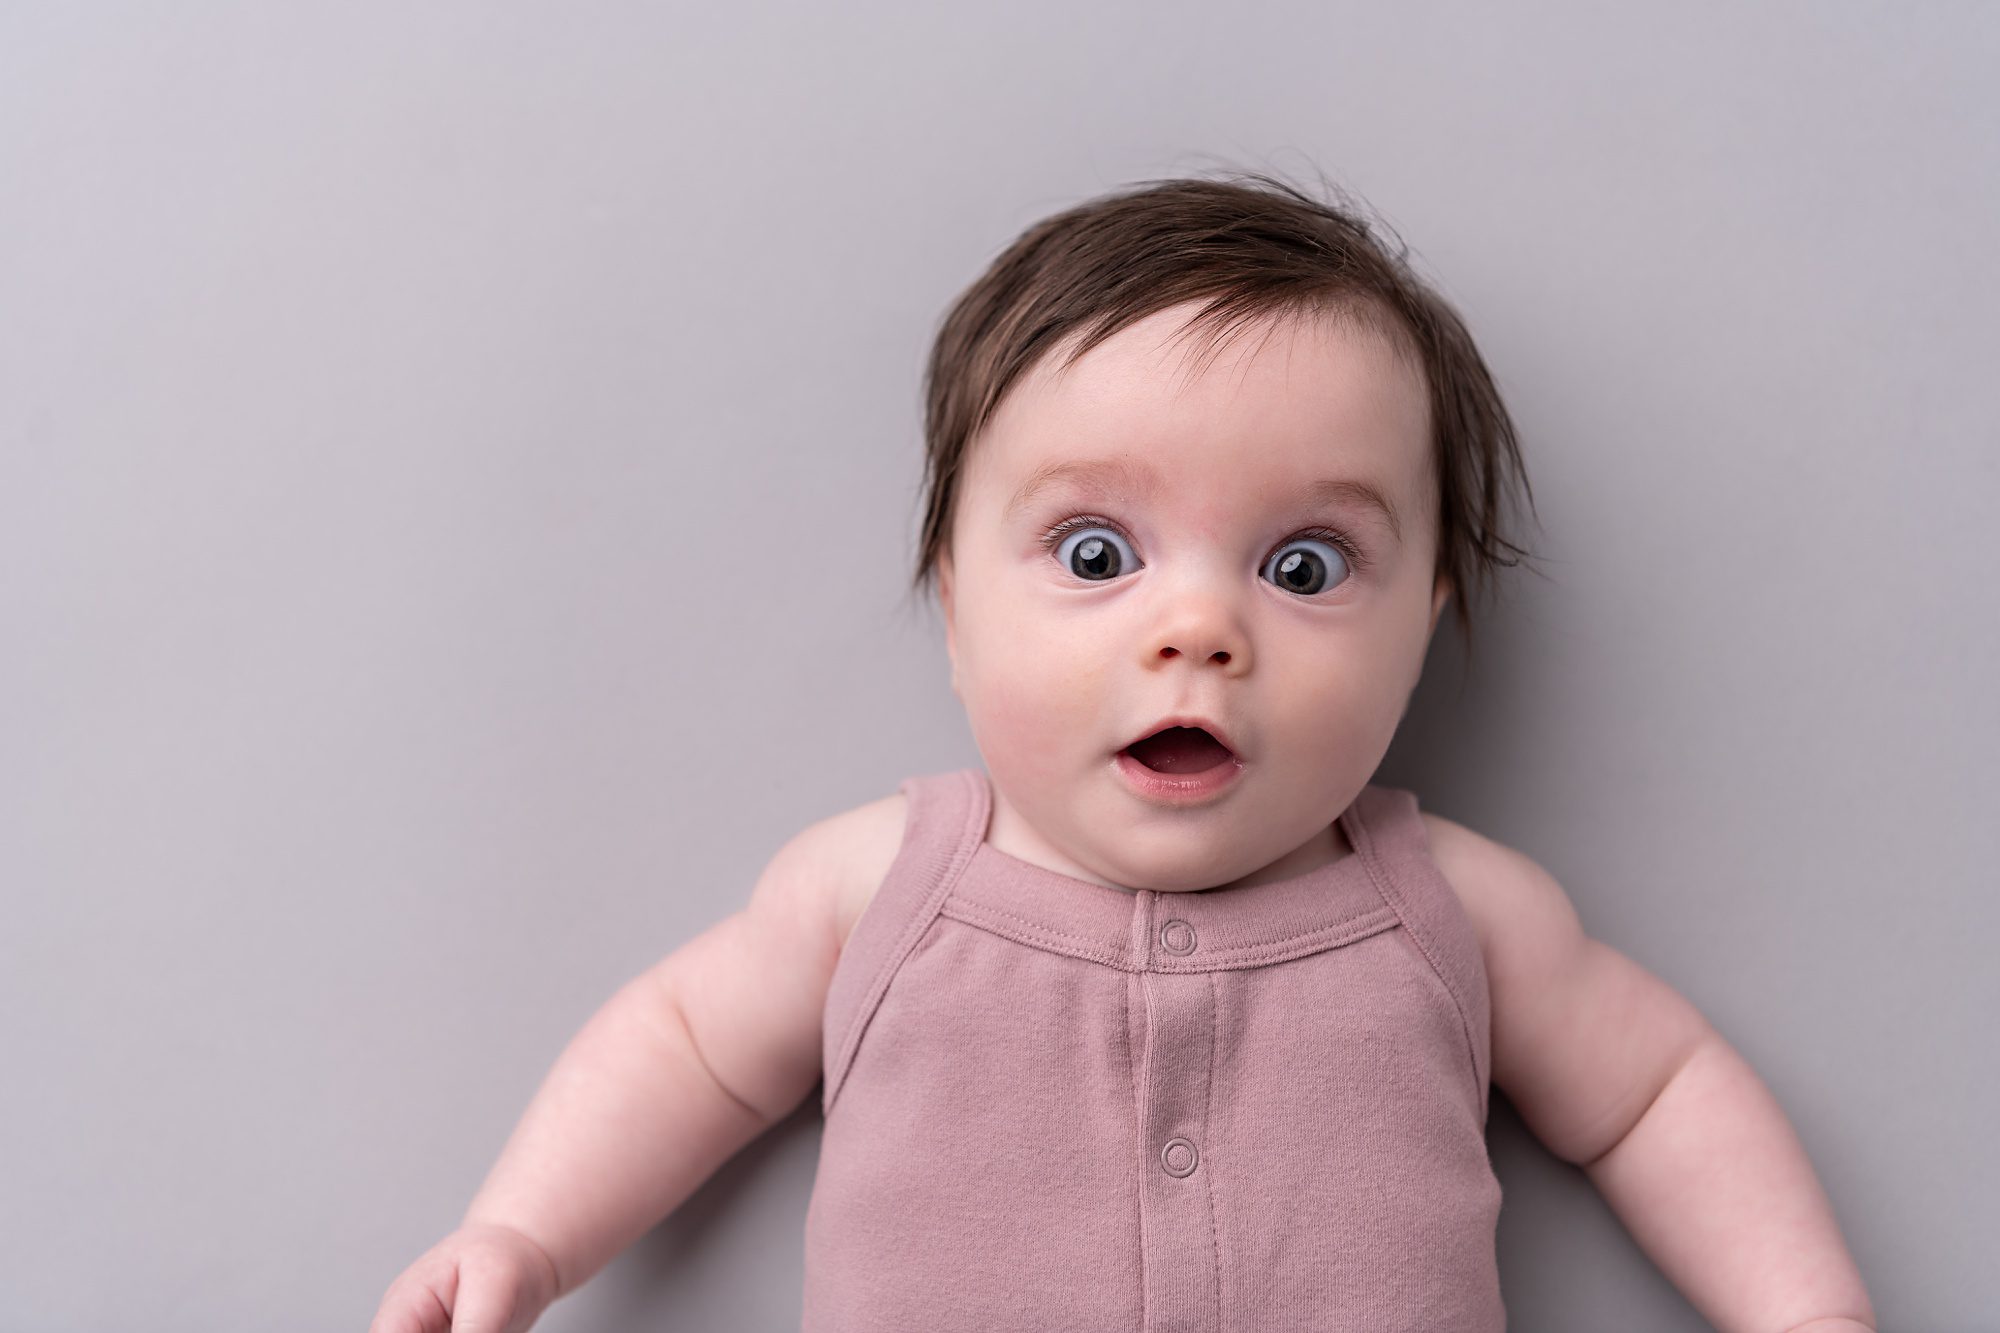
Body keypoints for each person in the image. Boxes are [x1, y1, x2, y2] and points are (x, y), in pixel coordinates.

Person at [367, 172, 1876, 1333]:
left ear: (1427, 619)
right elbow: (684, 1045)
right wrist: (524, 1231)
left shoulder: (1456, 910)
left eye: (1303, 567)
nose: (1199, 628)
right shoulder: (878, 885)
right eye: (1096, 552)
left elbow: (1659, 1091)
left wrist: (1803, 1306)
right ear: (955, 607)